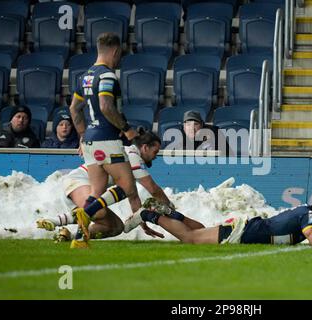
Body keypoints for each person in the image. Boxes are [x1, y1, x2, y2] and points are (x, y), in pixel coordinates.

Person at [36, 130, 204, 241]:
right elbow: (153, 189)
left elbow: (133, 195)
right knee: (99, 211)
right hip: (78, 181)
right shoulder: (132, 155)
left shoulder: (128, 154)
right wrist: (172, 211)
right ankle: (56, 220)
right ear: (145, 147)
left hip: (91, 187)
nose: (155, 157)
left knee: (116, 228)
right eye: (155, 152)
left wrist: (141, 222)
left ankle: (70, 236)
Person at [69, 32, 141, 248]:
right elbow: (105, 106)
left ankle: (80, 239)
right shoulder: (107, 76)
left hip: (90, 141)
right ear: (116, 51)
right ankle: (85, 213)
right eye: (120, 55)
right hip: (108, 139)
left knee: (97, 192)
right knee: (127, 186)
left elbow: (74, 109)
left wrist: (83, 136)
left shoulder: (86, 77)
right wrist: (127, 129)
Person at [124, 195, 312, 247]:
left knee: (199, 230)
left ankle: (167, 212)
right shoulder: (310, 216)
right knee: (191, 238)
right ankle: (150, 215)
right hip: (243, 233)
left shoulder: (308, 212)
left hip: (246, 228)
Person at [166, 110, 233, 156]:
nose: (191, 128)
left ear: (201, 125)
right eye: (188, 124)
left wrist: (211, 142)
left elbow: (229, 155)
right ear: (184, 127)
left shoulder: (214, 133)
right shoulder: (178, 135)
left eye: (195, 124)